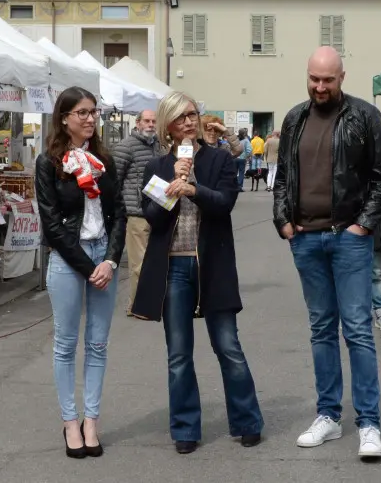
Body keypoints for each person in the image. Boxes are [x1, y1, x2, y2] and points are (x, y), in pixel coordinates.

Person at [273, 46, 381, 458]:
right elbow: (283, 178)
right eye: (314, 79)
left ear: (342, 77)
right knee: (321, 329)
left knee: (359, 331)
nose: (320, 86)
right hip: (306, 239)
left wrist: (363, 225)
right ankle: (328, 415)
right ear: (307, 76)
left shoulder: (363, 116)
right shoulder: (294, 118)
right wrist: (284, 221)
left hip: (348, 237)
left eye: (328, 79)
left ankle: (368, 423)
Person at [132, 92, 263, 455]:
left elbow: (225, 204)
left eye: (192, 115)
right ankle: (186, 428)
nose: (189, 122)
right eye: (180, 118)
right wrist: (172, 189)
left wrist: (193, 188)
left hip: (212, 265)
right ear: (168, 127)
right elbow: (153, 219)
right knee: (178, 355)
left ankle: (247, 421)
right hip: (174, 267)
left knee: (228, 347)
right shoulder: (156, 167)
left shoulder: (219, 158)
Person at [35, 86, 126, 459]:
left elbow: (119, 212)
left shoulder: (105, 159)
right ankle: (70, 421)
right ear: (64, 118)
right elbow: (52, 224)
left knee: (98, 344)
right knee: (65, 344)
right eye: (83, 113)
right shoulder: (49, 163)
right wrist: (90, 268)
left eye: (94, 113)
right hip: (70, 259)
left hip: (103, 256)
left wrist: (110, 260)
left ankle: (92, 420)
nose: (90, 119)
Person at [112, 110, 159, 316]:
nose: (151, 125)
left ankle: (143, 303)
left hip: (157, 210)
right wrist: (121, 210)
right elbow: (115, 181)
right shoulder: (125, 147)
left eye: (154, 121)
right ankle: (138, 307)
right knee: (139, 263)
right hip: (136, 212)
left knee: (152, 261)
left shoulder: (159, 146)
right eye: (147, 121)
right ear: (138, 123)